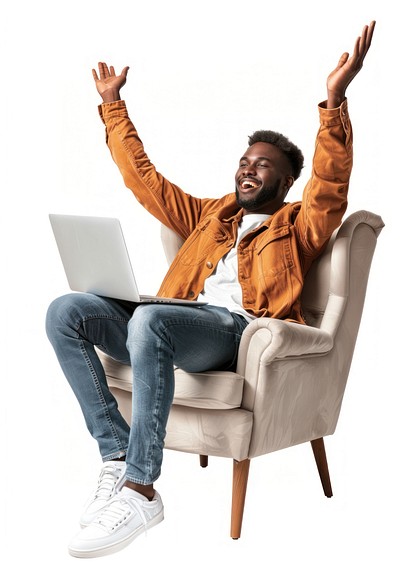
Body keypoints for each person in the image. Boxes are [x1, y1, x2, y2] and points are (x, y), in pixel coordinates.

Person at [46, 20, 375, 559]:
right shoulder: (209, 214)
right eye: (245, 163)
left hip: (235, 332)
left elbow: (330, 186)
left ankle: (141, 488)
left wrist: (334, 102)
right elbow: (145, 181)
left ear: (285, 181)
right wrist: (113, 107)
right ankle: (114, 452)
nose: (248, 172)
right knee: (68, 310)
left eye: (262, 166)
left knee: (152, 319)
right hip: (174, 321)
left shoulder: (298, 224)